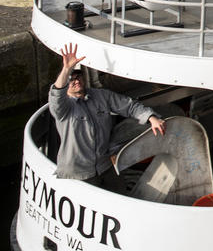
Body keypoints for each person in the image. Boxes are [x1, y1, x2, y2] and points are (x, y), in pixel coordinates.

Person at [49, 43, 166, 182]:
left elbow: (129, 106)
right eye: (71, 79)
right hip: (78, 173)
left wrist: (151, 118)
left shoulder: (101, 96)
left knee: (118, 193)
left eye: (78, 77)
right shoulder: (63, 107)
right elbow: (56, 94)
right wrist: (66, 69)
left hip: (104, 165)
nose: (76, 81)